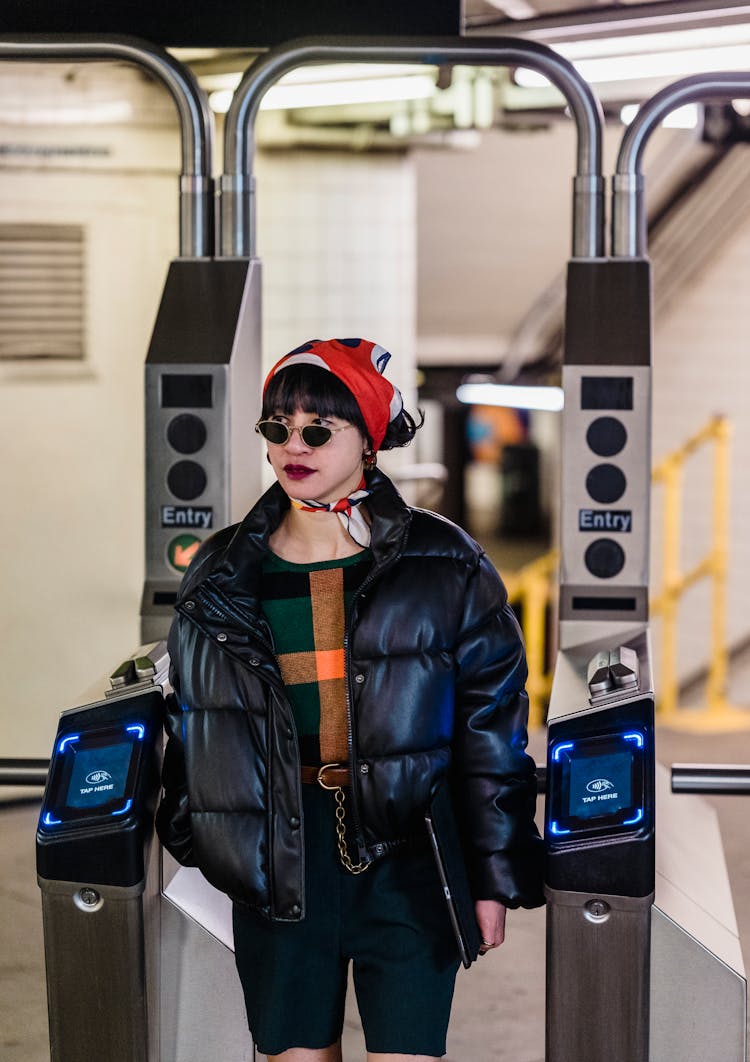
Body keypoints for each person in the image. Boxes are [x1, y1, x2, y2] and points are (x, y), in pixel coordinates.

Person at [156, 337, 544, 1062]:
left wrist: (493, 876)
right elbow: (194, 719)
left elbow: (490, 734)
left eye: (316, 429)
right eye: (277, 427)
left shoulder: (445, 563)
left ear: (369, 440)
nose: (292, 445)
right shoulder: (221, 570)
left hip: (410, 859)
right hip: (281, 858)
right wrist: (205, 835)